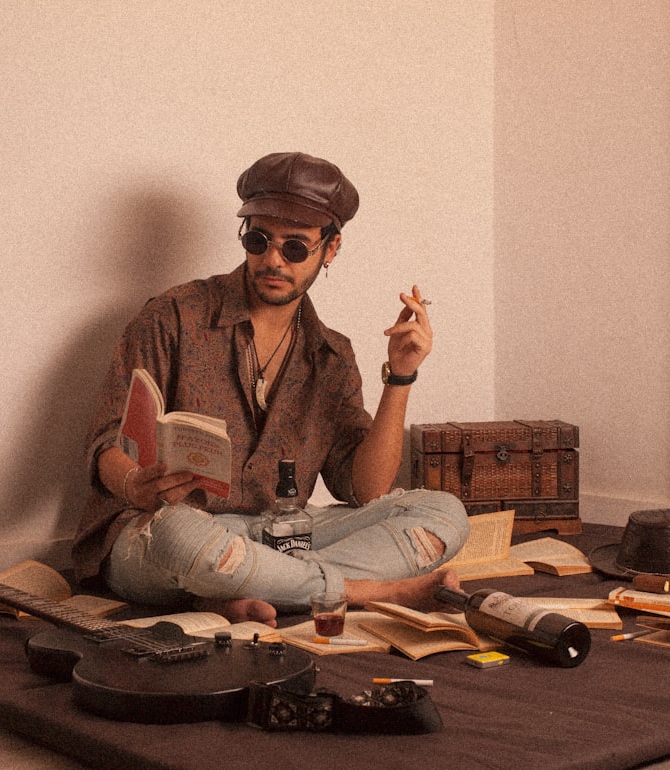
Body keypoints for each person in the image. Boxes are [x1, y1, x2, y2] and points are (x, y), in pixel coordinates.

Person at [72, 152, 469, 626]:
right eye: (258, 241)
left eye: (295, 248)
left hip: (283, 534)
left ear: (332, 248)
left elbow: (365, 489)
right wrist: (135, 484)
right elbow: (104, 442)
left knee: (443, 512)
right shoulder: (173, 316)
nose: (272, 260)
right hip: (162, 529)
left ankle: (234, 587)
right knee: (181, 538)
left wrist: (400, 376)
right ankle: (366, 591)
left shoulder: (332, 355)